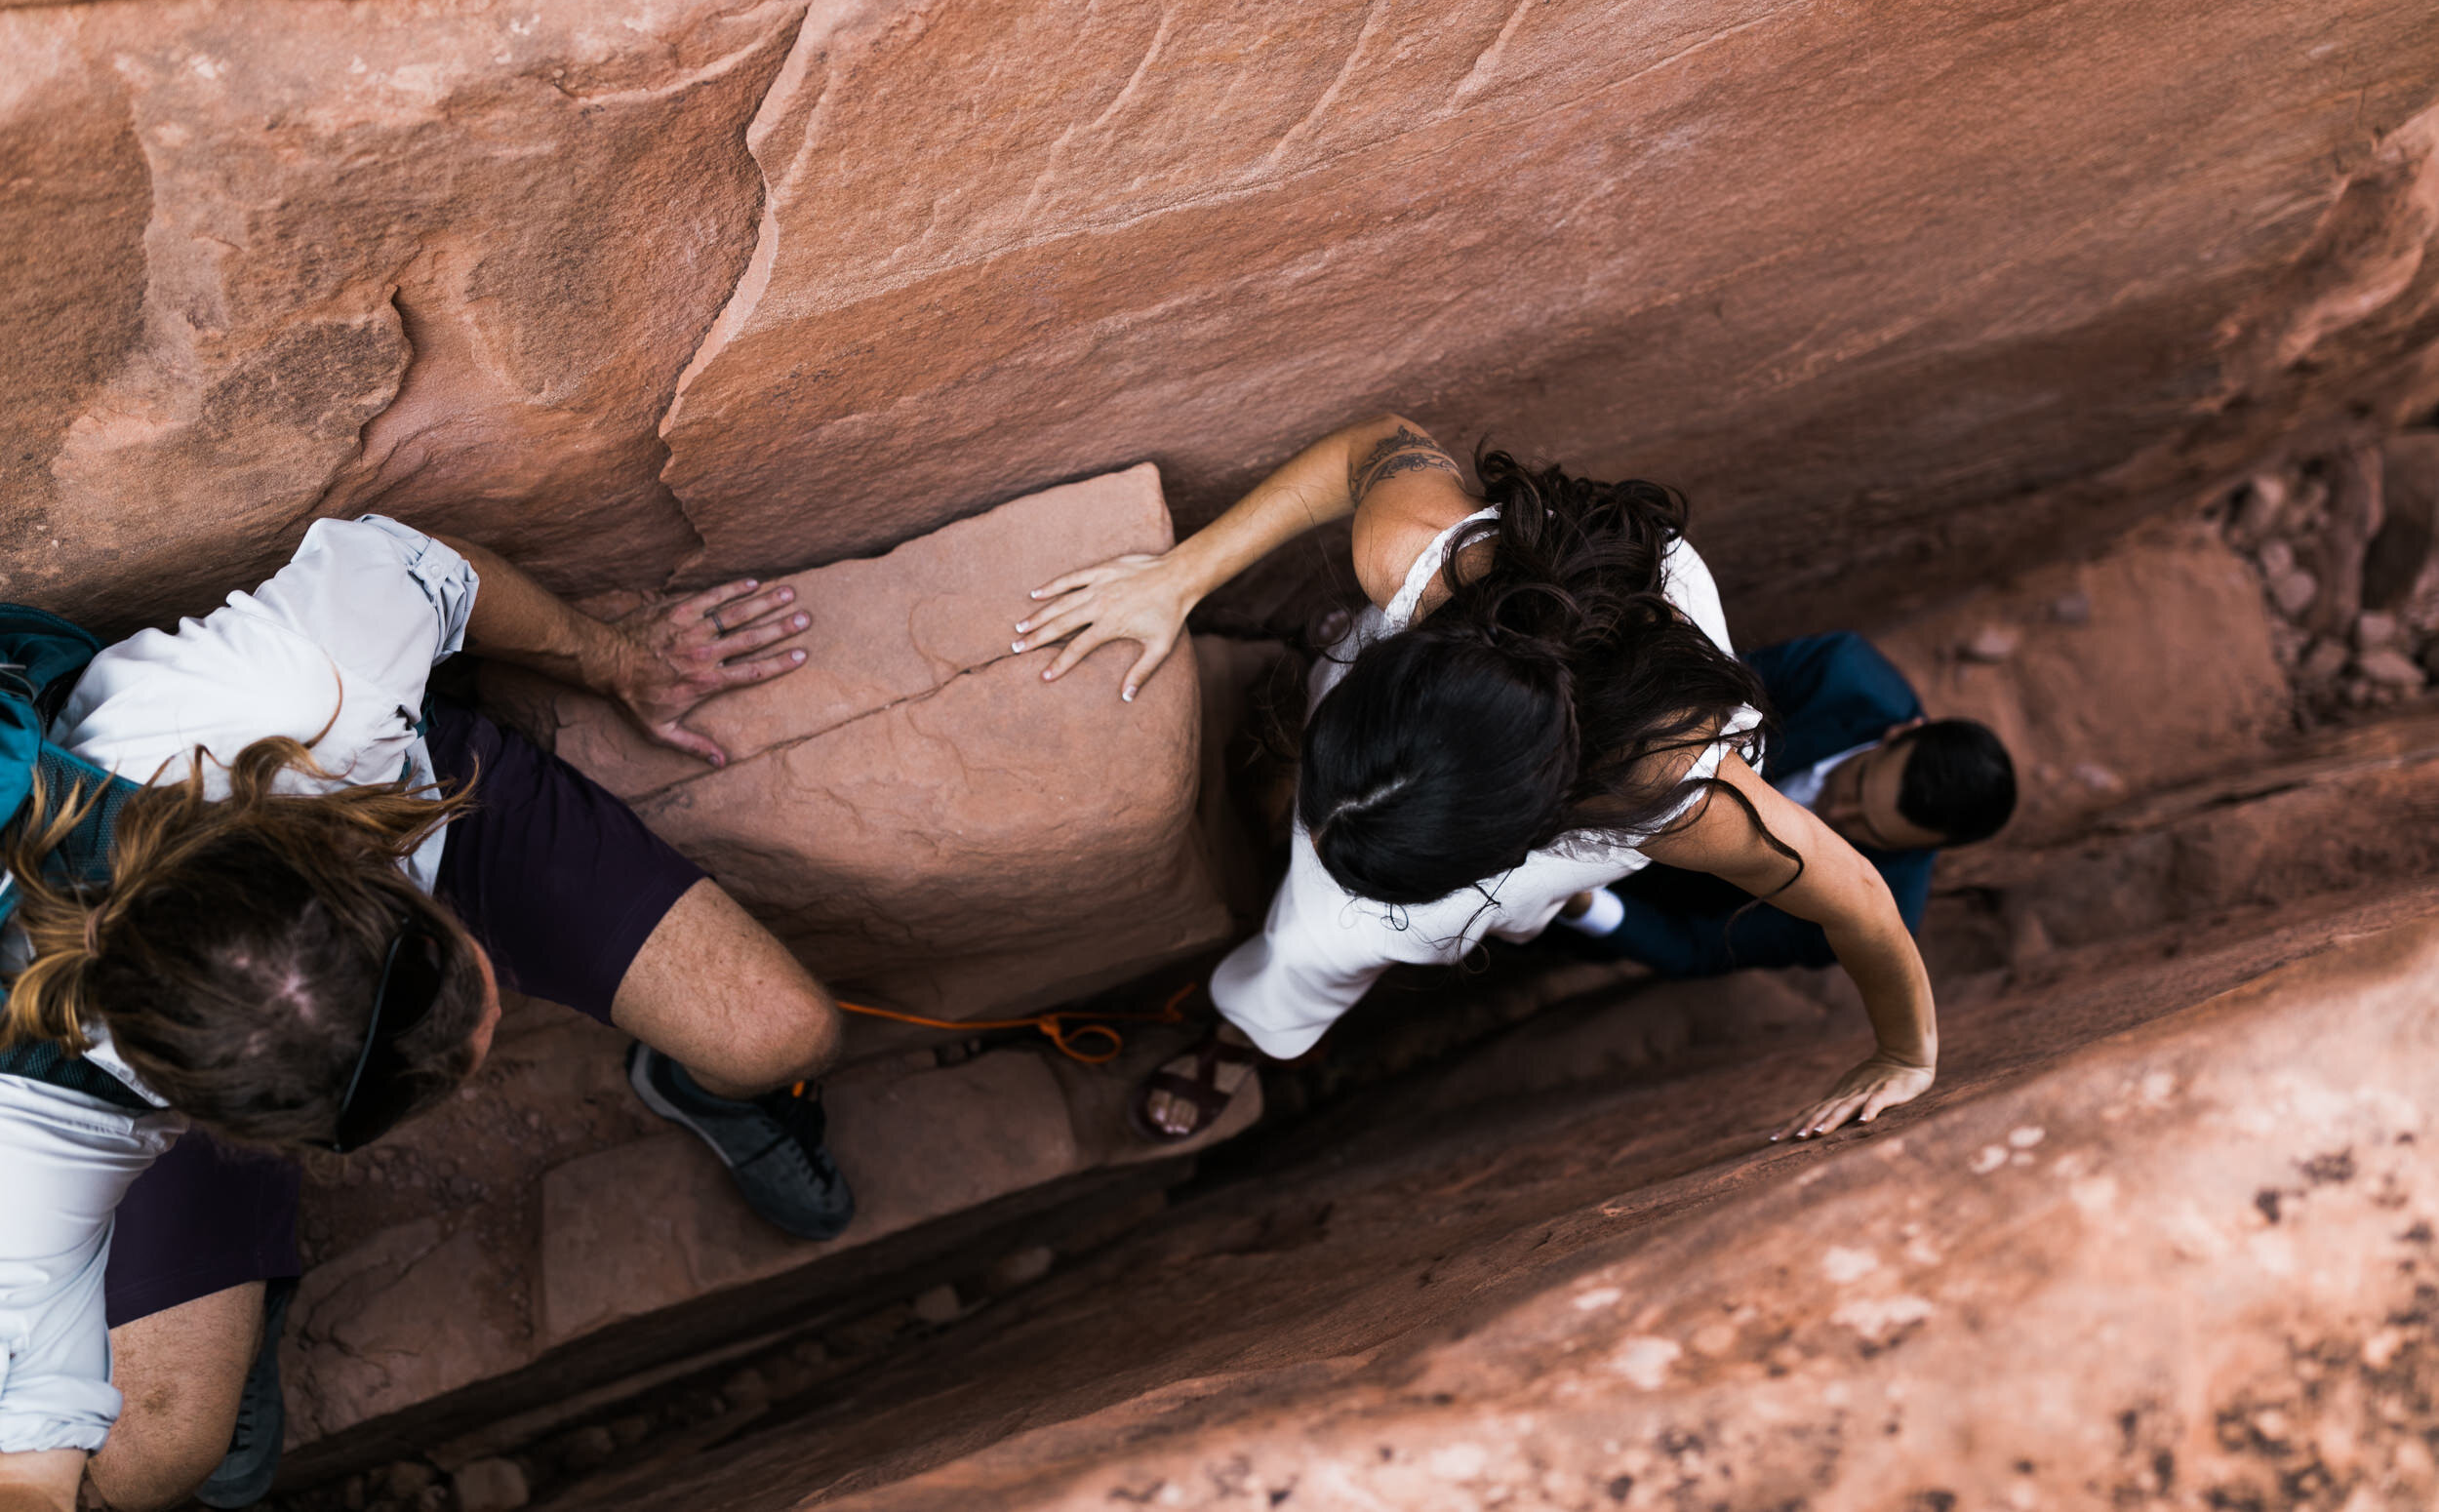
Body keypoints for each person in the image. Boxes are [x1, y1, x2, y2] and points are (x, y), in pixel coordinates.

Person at [0, 518, 852, 1512]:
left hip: (402, 804)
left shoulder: (310, 698)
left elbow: (420, 565)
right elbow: (28, 1456)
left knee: (781, 1034)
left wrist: (618, 659)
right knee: (162, 1461)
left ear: (343, 868)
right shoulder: (39, 1132)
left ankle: (689, 1087)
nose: (473, 1062)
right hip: (147, 1063)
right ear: (231, 1126)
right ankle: (249, 1285)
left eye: (458, 977)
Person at [1017, 417, 1939, 1146]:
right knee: (1326, 855)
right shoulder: (1427, 565)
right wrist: (1181, 577)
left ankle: (1247, 1033)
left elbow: (1857, 897)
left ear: (1520, 833)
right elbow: (1366, 445)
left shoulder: (1673, 798)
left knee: (1332, 931)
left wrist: (1907, 1050)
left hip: (1598, 753)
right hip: (1496, 672)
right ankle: (1314, 808)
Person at [1554, 632, 2017, 975]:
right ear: (1901, 733)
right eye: (1854, 785)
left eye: (1868, 833)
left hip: (1628, 900)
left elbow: (1700, 948)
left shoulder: (1883, 913)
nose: (1836, 816)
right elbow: (1688, 693)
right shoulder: (1839, 674)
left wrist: (1577, 900)